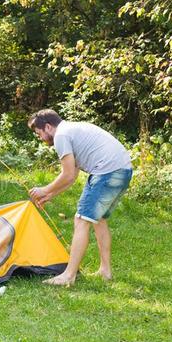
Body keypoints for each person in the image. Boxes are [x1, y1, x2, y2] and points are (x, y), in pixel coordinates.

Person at [27, 109, 132, 286]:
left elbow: (67, 175)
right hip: (124, 170)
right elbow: (73, 175)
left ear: (47, 127)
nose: (40, 139)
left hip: (107, 171)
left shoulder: (61, 136)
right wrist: (50, 194)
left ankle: (68, 275)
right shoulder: (70, 129)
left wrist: (43, 189)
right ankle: (105, 271)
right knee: (98, 220)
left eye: (39, 134)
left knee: (81, 219)